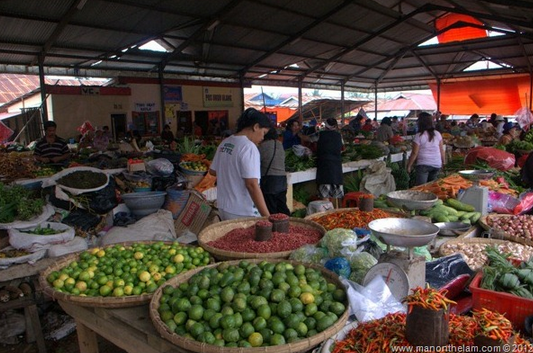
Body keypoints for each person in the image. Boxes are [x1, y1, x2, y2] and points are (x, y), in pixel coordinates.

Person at [209, 108, 271, 220]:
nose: (262, 138)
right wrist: (267, 216)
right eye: (263, 133)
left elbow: (212, 171)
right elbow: (252, 185)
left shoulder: (225, 142)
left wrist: (230, 170)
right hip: (243, 211)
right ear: (256, 127)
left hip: (224, 208)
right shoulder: (249, 147)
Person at [258, 127, 290, 216]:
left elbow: (256, 162)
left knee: (271, 209)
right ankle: (288, 225)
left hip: (270, 181)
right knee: (282, 207)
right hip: (282, 180)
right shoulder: (280, 144)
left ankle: (274, 228)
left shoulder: (263, 146)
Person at [407, 112, 445, 185]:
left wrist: (409, 165)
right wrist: (443, 162)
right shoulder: (437, 134)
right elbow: (441, 150)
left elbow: (414, 153)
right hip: (436, 164)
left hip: (423, 164)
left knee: (421, 188)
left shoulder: (419, 136)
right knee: (432, 187)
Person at [316, 118, 344, 207]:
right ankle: (337, 213)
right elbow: (343, 149)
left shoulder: (320, 135)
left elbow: (309, 139)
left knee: (325, 195)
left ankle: (326, 214)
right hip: (336, 165)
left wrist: (300, 135)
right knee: (337, 194)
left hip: (325, 166)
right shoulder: (339, 136)